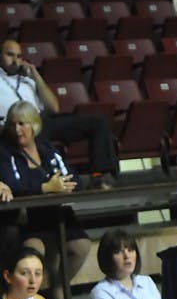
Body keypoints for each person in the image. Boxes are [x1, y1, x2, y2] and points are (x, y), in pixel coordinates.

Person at [0, 100, 91, 299]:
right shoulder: (6, 154)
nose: (17, 130)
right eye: (13, 124)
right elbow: (15, 185)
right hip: (29, 220)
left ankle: (59, 288)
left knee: (82, 246)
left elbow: (74, 178)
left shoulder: (48, 150)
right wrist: (45, 188)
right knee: (33, 251)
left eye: (23, 124)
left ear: (35, 125)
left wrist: (66, 185)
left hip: (56, 215)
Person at [0, 39, 119, 189]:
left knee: (98, 123)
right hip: (15, 126)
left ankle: (100, 176)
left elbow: (54, 108)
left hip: (41, 120)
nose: (15, 60)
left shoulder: (27, 80)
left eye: (19, 56)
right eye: (10, 55)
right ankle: (52, 183)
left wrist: (36, 76)